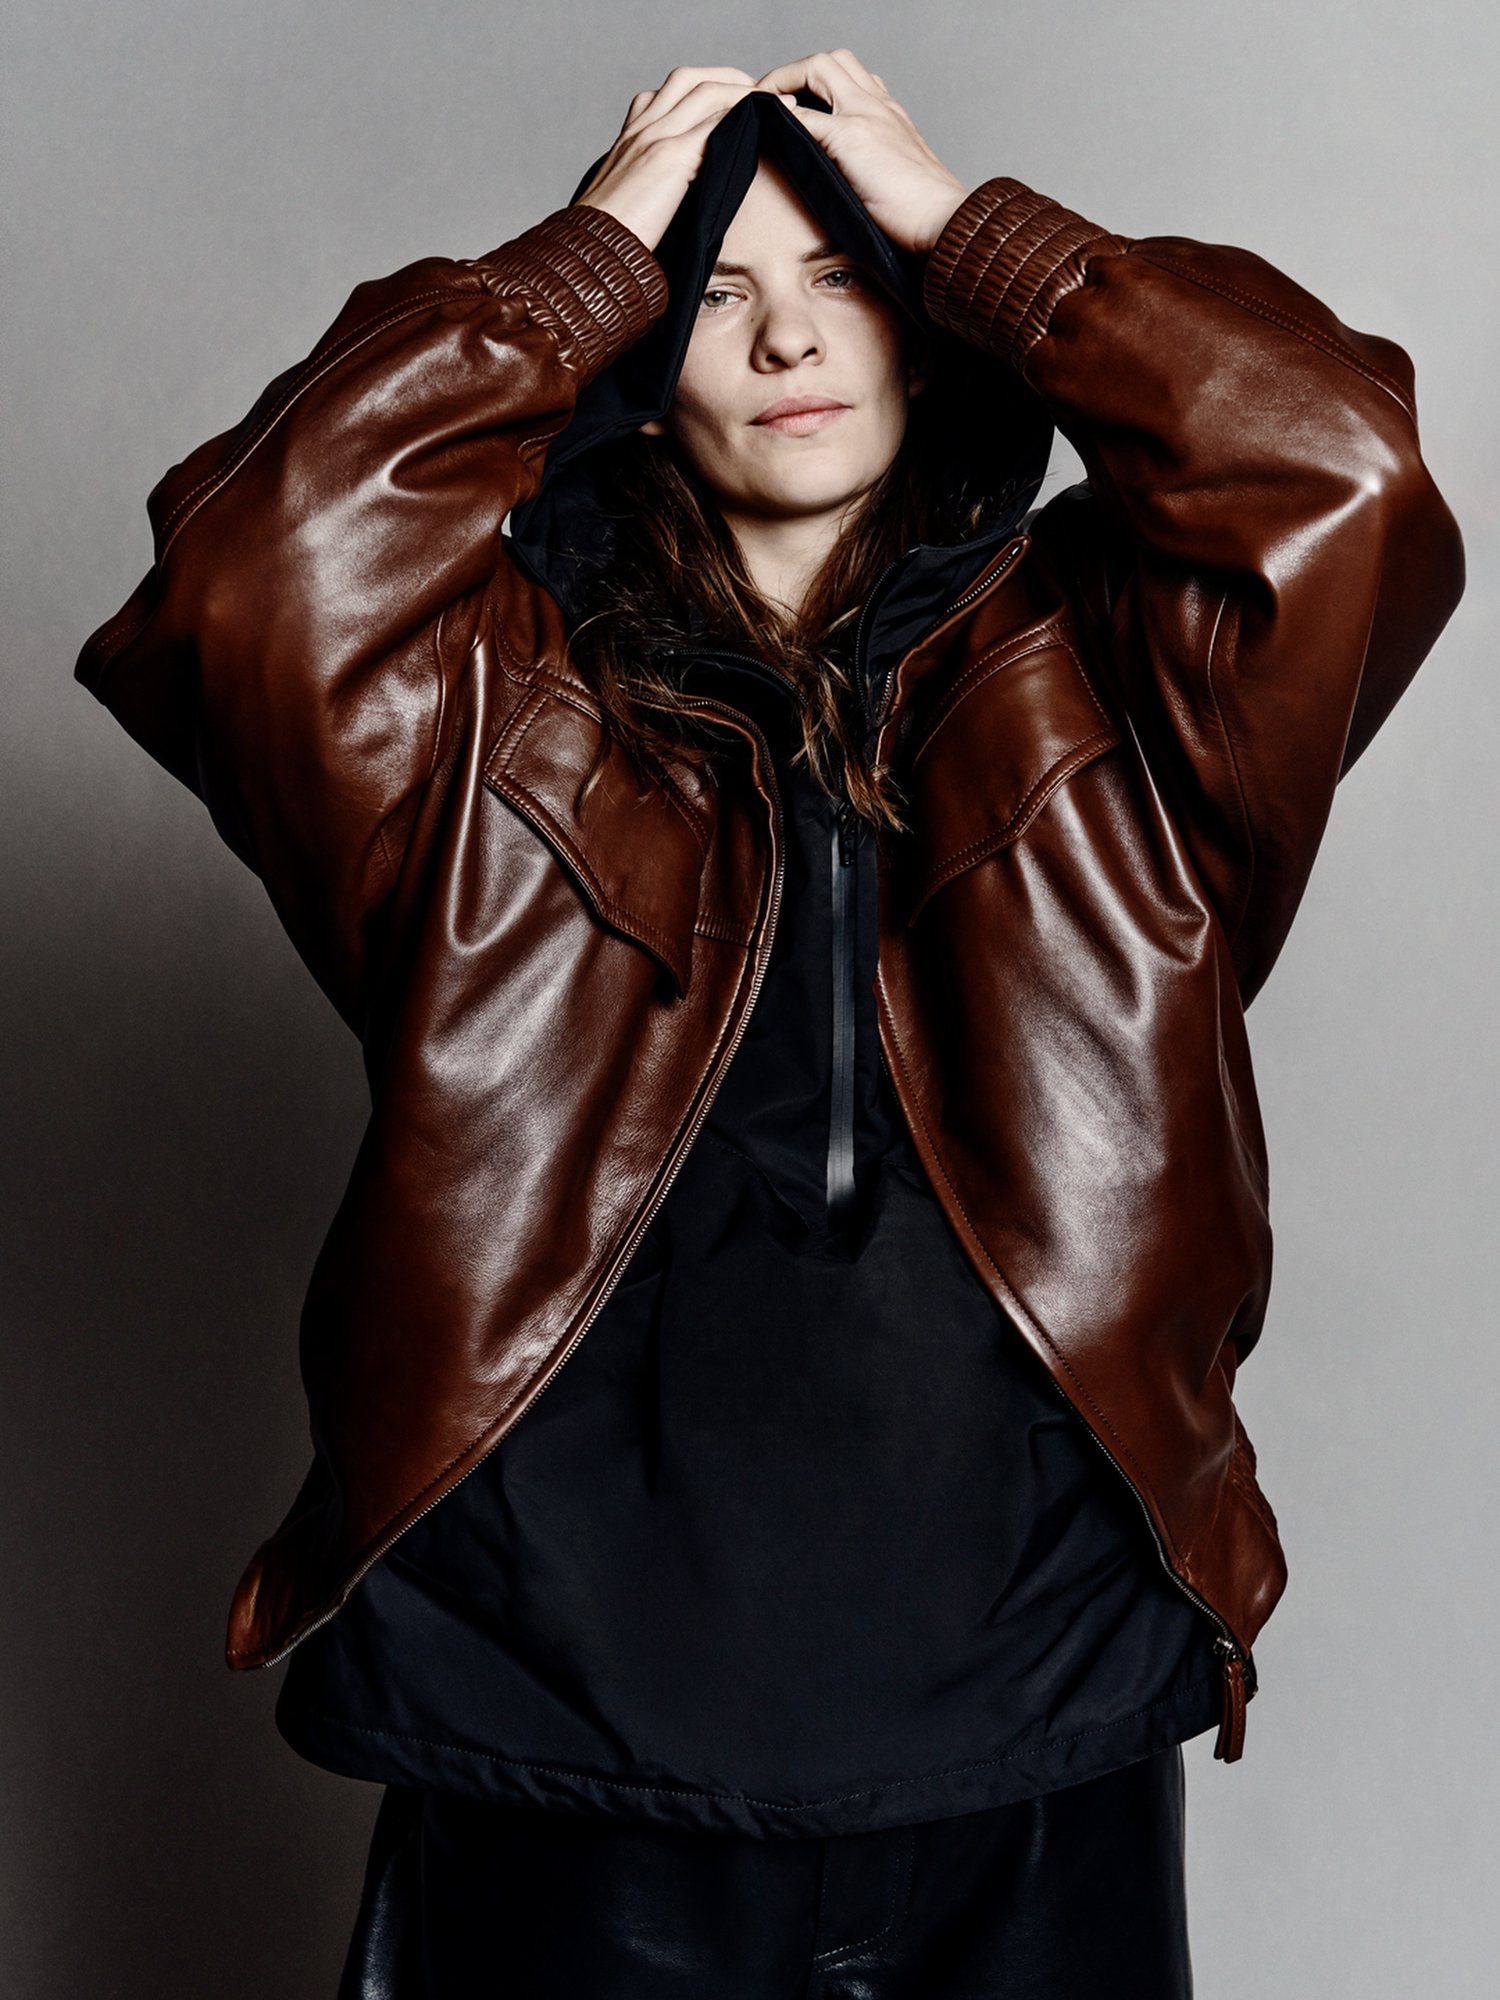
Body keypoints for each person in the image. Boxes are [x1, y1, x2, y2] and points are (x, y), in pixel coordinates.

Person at [75, 47, 1464, 2000]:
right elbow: (252, 573)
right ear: (646, 362)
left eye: (844, 283)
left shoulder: (1129, 678)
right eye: (717, 292)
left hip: (1034, 1709)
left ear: (926, 331)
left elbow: (1346, 472)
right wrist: (584, 259)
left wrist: (976, 234)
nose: (790, 341)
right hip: (563, 1725)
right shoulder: (485, 710)